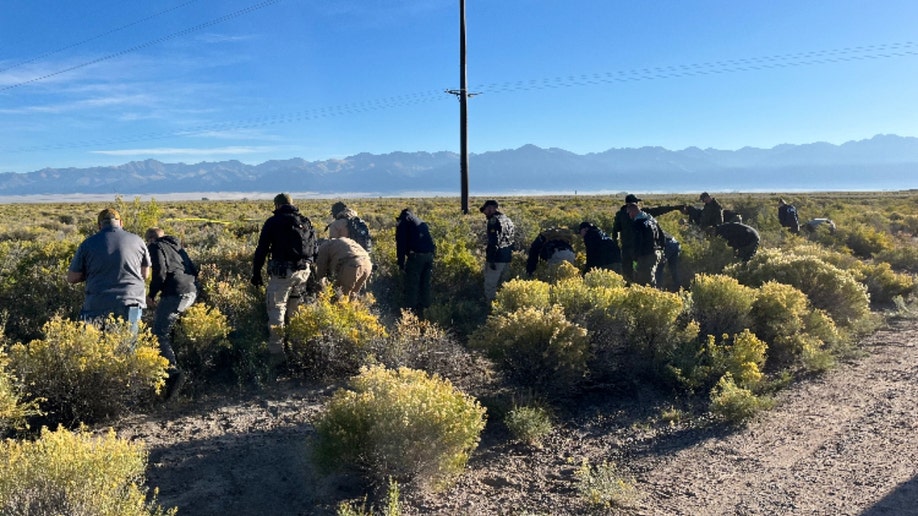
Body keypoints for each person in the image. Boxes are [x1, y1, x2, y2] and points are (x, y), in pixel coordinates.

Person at [251, 193, 317, 365]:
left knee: (276, 311)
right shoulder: (305, 221)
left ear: (278, 205)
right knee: (296, 311)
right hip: (303, 272)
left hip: (282, 274)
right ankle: (297, 350)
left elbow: (262, 249)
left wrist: (256, 272)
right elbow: (314, 249)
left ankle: (277, 356)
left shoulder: (273, 222)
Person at [66, 208, 150, 332]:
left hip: (98, 302)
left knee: (96, 346)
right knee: (128, 346)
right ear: (121, 223)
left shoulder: (88, 244)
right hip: (131, 301)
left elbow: (72, 278)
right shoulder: (138, 241)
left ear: (99, 225)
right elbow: (145, 274)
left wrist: (90, 274)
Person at [145, 227, 199, 400]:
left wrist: (152, 294)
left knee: (159, 333)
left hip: (175, 293)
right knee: (173, 330)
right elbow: (193, 269)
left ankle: (173, 374)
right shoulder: (176, 246)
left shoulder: (156, 247)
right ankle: (193, 369)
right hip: (191, 290)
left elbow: (159, 273)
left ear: (151, 239)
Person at [611, 194, 682, 282]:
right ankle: (647, 289)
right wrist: (675, 207)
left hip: (627, 249)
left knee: (628, 273)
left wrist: (616, 246)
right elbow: (659, 210)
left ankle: (630, 289)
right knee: (646, 273)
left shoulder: (620, 215)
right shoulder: (643, 214)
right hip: (642, 250)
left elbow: (615, 231)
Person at [395, 208, 436, 316]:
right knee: (425, 284)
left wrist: (400, 263)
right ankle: (426, 311)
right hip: (429, 255)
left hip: (417, 256)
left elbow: (401, 243)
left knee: (412, 285)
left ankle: (410, 313)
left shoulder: (404, 221)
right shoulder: (418, 220)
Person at [480, 199, 515, 303]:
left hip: (497, 257)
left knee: (490, 284)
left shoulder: (493, 221)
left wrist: (491, 259)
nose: (485, 213)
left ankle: (490, 307)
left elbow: (494, 241)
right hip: (507, 256)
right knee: (504, 284)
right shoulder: (508, 220)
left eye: (485, 209)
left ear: (491, 208)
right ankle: (505, 304)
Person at [626, 203, 665, 287]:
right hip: (656, 253)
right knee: (651, 276)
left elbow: (637, 242)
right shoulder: (651, 220)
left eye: (629, 212)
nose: (629, 215)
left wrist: (635, 258)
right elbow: (662, 236)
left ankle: (652, 297)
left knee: (645, 280)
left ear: (633, 211)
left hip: (646, 255)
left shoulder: (638, 224)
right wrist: (661, 250)